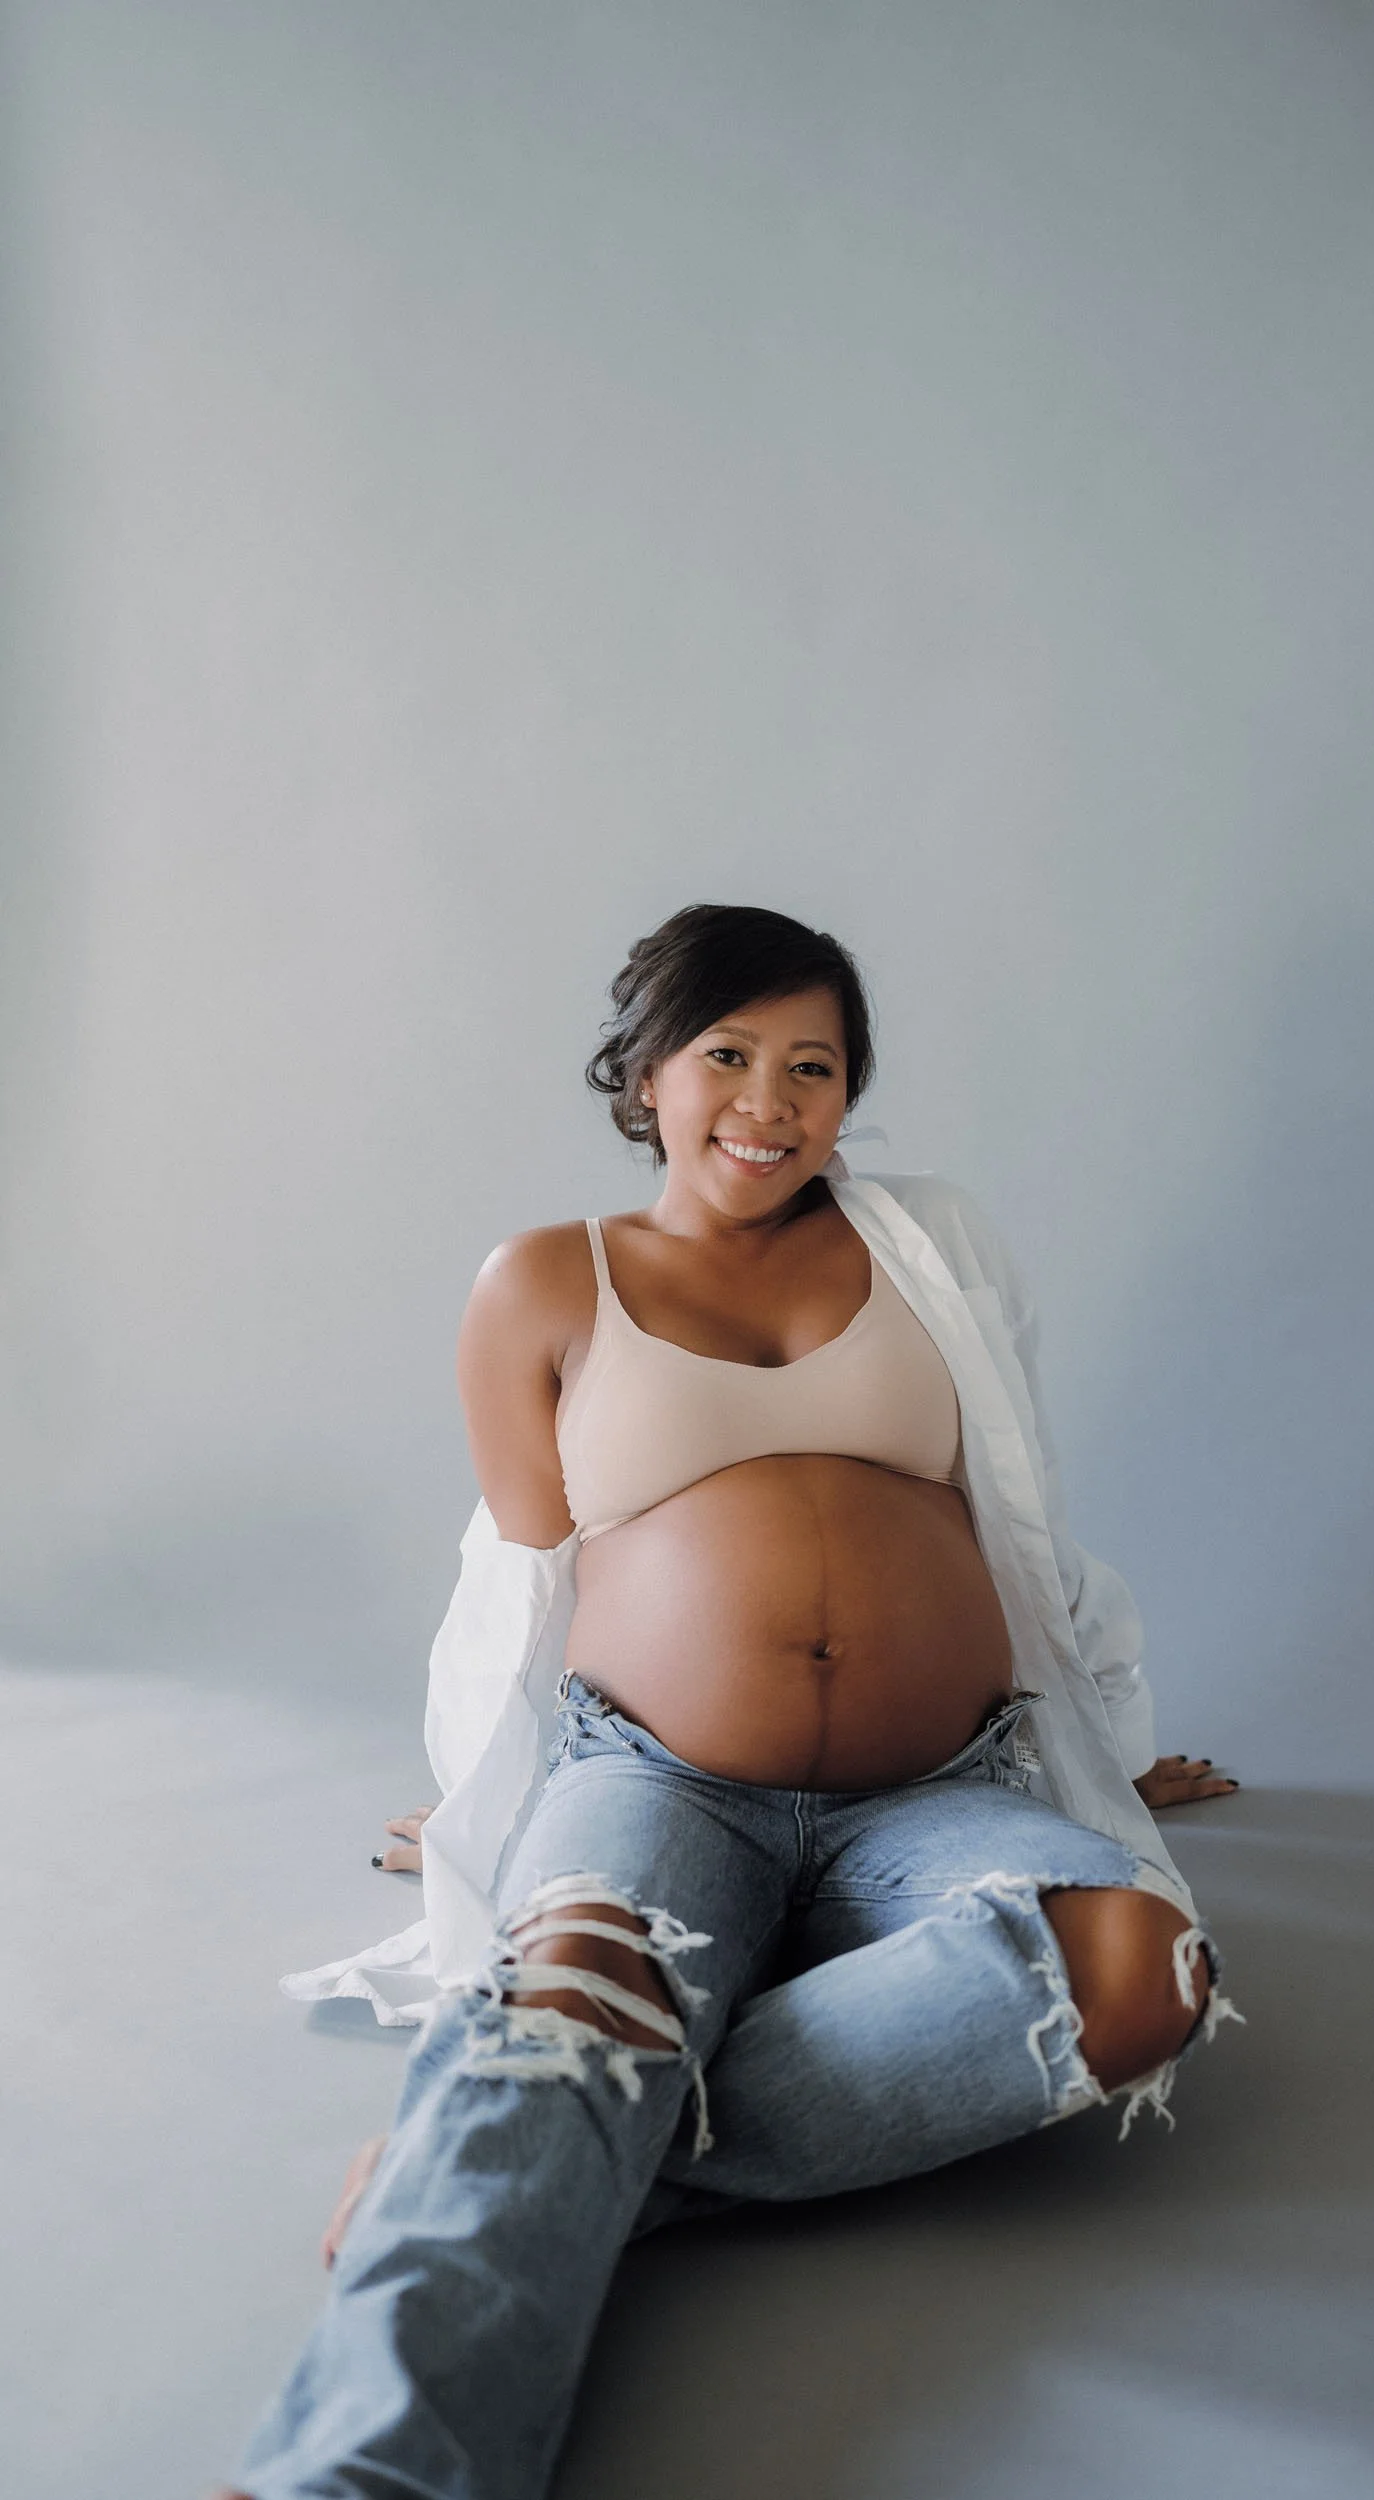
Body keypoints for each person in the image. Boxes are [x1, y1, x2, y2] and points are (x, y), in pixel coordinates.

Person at [218, 903, 1241, 2500]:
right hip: (656, 1774)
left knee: (1136, 1964)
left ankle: (501, 2157)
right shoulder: (547, 1282)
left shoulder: (935, 1248)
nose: (769, 1102)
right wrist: (484, 1799)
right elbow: (519, 1573)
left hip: (939, 1777)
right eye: (729, 1056)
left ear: (851, 1096)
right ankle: (361, 2478)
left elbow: (1020, 1517)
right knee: (579, 1987)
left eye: (814, 1068)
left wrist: (1099, 1745)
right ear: (645, 1072)